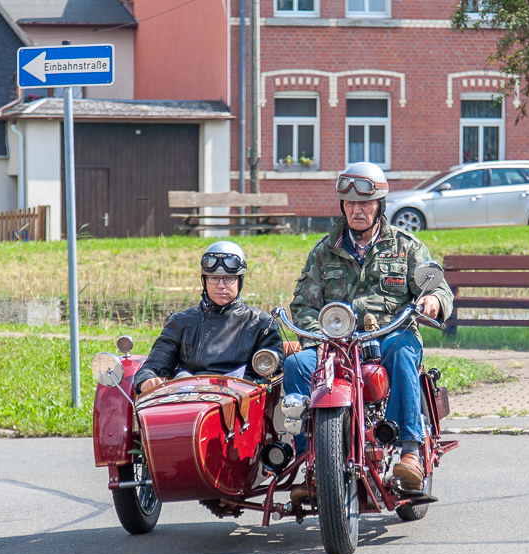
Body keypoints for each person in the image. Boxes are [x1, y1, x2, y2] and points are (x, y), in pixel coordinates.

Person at [284, 162, 454, 491]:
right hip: (335, 344)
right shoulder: (324, 252)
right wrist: (314, 336)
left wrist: (432, 301)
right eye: (349, 204)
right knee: (296, 364)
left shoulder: (405, 247)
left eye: (364, 203)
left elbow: (437, 288)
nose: (357, 210)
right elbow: (303, 305)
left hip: (389, 335)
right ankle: (308, 463)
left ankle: (409, 452)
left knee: (404, 351)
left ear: (380, 206)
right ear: (342, 206)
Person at [133, 241, 283, 393]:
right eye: (214, 278)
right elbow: (154, 364)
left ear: (240, 281)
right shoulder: (181, 322)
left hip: (240, 401)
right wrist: (147, 379)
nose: (221, 285)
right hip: (189, 397)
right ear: (204, 281)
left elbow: (272, 375)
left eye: (228, 278)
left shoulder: (262, 324)